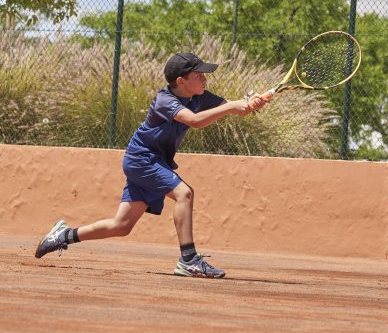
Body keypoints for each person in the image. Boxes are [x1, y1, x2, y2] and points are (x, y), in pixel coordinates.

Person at [34, 52, 268, 278]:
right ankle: (188, 260)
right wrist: (233, 106)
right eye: (199, 75)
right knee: (184, 194)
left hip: (154, 161)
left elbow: (233, 108)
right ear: (181, 81)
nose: (205, 79)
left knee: (122, 225)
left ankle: (64, 235)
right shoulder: (165, 100)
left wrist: (251, 102)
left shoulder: (199, 96)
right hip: (142, 158)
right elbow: (195, 121)